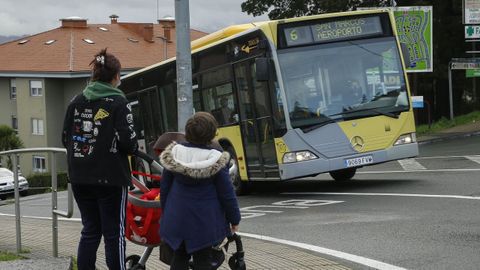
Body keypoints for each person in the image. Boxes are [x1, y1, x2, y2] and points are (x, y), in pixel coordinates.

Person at [62, 48, 138, 270]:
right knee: (114, 234)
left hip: (79, 177)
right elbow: (128, 142)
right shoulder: (119, 103)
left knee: (90, 231)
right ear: (115, 77)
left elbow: (65, 138)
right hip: (111, 179)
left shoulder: (76, 101)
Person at [159, 112, 241, 270]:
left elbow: (165, 189)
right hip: (205, 223)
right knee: (203, 259)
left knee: (179, 256)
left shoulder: (174, 154)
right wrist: (234, 219)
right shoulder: (216, 159)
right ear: (212, 134)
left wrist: (166, 213)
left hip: (177, 218)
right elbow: (227, 195)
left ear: (187, 132)